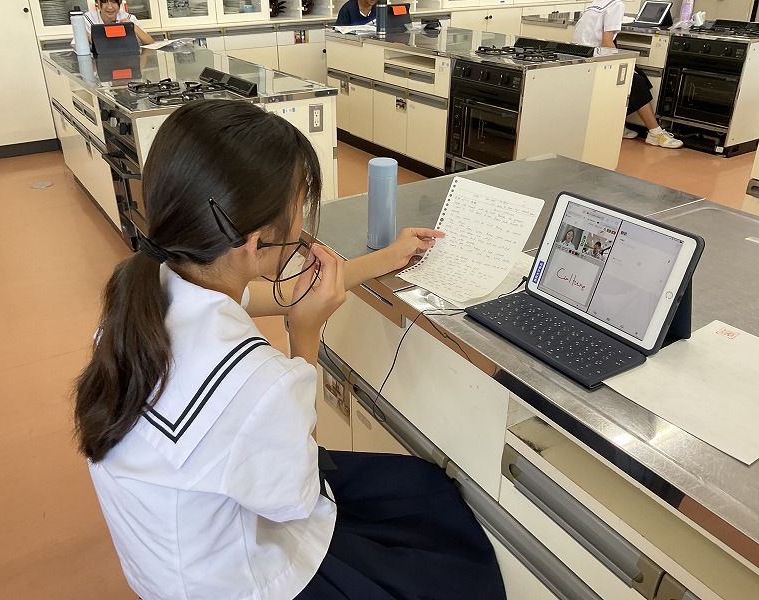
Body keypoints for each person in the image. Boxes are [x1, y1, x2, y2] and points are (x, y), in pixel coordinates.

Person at [74, 100, 505, 600]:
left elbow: (277, 295)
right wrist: (305, 336)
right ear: (256, 243)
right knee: (437, 528)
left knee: (409, 488)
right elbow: (301, 492)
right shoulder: (257, 383)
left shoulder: (150, 293)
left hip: (169, 566)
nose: (301, 221)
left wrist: (388, 258)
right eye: (299, 204)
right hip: (243, 582)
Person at [573, 1, 683, 149]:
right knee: (637, 83)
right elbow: (607, 42)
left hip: (581, 57)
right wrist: (626, 66)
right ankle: (655, 134)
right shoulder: (617, 5)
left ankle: (616, 124)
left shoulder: (597, 2)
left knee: (641, 77)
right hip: (594, 60)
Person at [84, 0, 154, 46]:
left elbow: (150, 42)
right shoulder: (87, 19)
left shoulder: (128, 17)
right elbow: (79, 46)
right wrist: (87, 39)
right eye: (104, 2)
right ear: (97, 2)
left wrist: (132, 26)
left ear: (120, 2)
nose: (110, 7)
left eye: (114, 2)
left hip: (125, 60)